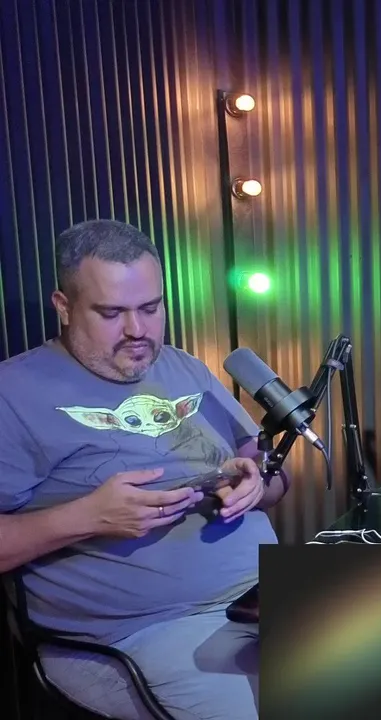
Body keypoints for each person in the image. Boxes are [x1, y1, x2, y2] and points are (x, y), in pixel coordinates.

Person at [0, 220, 285, 719]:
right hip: (148, 628)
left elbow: (271, 473)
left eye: (151, 308)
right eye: (111, 313)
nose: (137, 330)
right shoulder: (13, 393)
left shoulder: (183, 366)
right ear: (63, 306)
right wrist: (88, 518)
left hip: (260, 597)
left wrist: (256, 482)